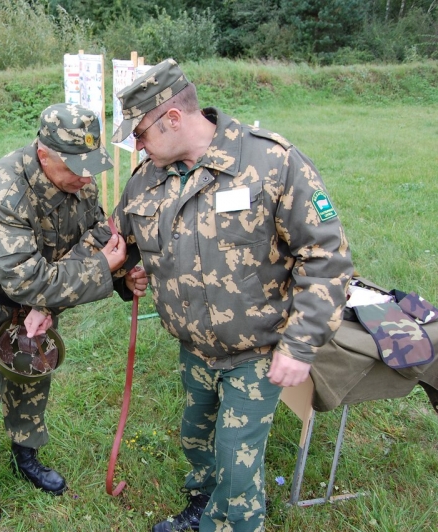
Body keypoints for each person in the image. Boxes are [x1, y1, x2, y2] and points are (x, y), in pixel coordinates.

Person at [107, 58, 355, 532]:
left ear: (173, 119)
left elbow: (326, 258)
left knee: (237, 464)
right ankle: (203, 501)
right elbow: (122, 245)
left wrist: (301, 345)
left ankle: (233, 522)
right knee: (197, 437)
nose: (135, 144)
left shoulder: (270, 162)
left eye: (139, 133)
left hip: (256, 350)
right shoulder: (146, 179)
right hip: (193, 348)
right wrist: (126, 277)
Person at [0, 103, 147, 525]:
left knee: (33, 378)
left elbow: (95, 233)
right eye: (77, 167)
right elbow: (26, 280)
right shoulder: (2, 192)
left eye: (92, 166)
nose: (88, 178)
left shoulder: (79, 178)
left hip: (41, 298)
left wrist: (112, 275)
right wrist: (96, 272)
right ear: (43, 154)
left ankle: (26, 453)